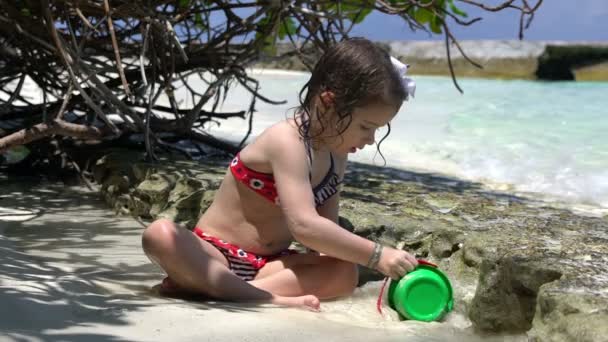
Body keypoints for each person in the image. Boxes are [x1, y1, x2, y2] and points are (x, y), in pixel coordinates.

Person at [141, 38, 418, 311]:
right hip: (216, 255)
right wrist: (377, 255)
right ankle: (257, 296)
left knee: (345, 273)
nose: (370, 139)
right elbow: (305, 227)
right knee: (160, 234)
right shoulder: (287, 140)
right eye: (365, 126)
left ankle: (217, 289)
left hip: (270, 267)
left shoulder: (336, 153)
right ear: (327, 103)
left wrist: (340, 263)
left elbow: (325, 230)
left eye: (377, 130)